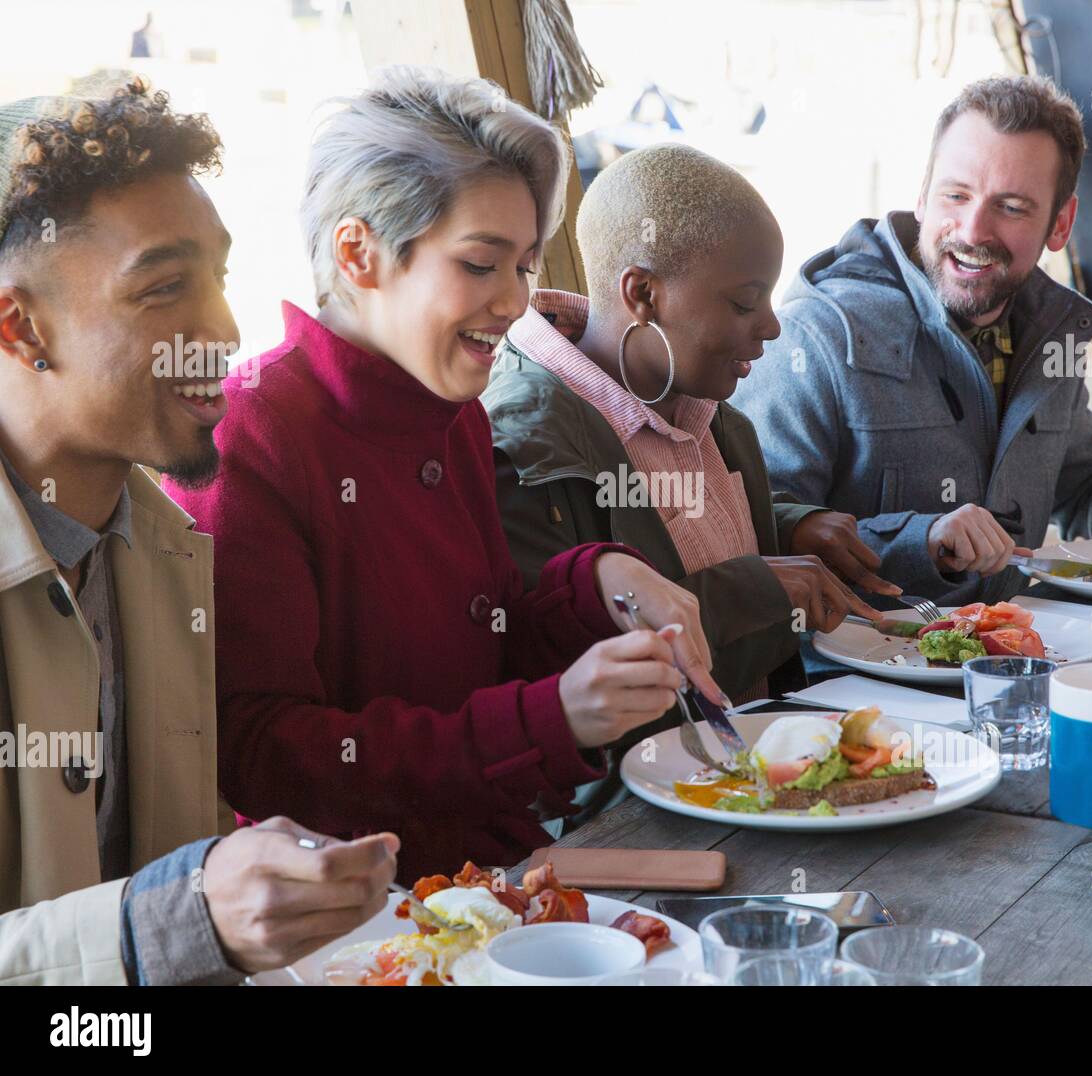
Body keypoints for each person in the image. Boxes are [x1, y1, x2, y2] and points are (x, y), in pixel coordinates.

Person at [167, 68, 723, 884]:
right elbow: (263, 752)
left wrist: (594, 582)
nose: (514, 301)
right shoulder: (254, 432)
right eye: (479, 264)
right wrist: (552, 716)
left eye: (526, 267)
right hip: (354, 916)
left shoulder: (454, 409)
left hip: (491, 877)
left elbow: (485, 658)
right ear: (358, 253)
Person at [0, 79, 396, 985]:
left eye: (217, 278)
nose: (220, 327)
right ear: (21, 326)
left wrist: (253, 877)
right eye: (165, 287)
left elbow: (169, 860)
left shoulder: (168, 548)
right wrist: (168, 924)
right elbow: (158, 916)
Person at [732, 75, 1092, 605]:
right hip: (850, 680)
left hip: (1018, 657)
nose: (971, 230)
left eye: (1011, 207)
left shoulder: (1048, 331)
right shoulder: (817, 332)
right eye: (956, 194)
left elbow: (1080, 487)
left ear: (1060, 224)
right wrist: (922, 541)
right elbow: (751, 526)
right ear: (922, 195)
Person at [483, 143, 899, 824]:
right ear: (642, 294)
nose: (771, 326)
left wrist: (790, 523)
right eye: (745, 302)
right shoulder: (529, 444)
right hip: (630, 822)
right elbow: (570, 673)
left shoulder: (708, 413)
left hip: (754, 779)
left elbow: (678, 523)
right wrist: (758, 589)